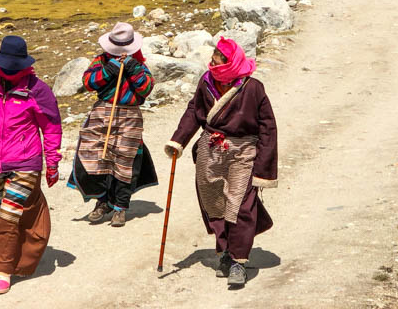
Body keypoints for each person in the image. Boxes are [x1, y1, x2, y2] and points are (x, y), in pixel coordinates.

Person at [164, 37, 277, 288]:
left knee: (240, 205)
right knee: (214, 202)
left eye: (216, 58)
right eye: (213, 58)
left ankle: (239, 261)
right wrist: (178, 141)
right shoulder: (206, 82)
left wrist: (265, 166)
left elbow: (268, 127)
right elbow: (194, 111)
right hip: (210, 149)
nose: (212, 62)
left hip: (243, 150)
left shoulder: (253, 87)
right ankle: (224, 249)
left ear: (229, 62)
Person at [0, 35, 62, 295]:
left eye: (14, 68)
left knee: (8, 217)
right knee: (7, 215)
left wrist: (51, 163)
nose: (9, 72)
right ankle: (22, 250)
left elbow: (51, 129)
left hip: (26, 164)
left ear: (24, 66)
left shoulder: (38, 90)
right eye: (6, 67)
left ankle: (3, 269)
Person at [68, 21, 158, 226]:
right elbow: (87, 83)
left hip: (130, 116)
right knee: (99, 157)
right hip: (103, 112)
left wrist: (133, 70)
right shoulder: (101, 61)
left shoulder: (139, 65)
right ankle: (102, 201)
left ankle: (120, 207)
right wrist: (109, 70)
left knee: (125, 160)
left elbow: (146, 89)